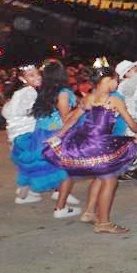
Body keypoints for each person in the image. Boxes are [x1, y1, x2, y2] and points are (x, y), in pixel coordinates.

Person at [43, 66, 137, 234]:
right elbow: (132, 124)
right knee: (110, 180)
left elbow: (71, 120)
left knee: (100, 177)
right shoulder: (114, 100)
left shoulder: (88, 98)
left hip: (84, 142)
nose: (117, 83)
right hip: (99, 144)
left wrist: (57, 137)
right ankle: (103, 223)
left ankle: (89, 213)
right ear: (108, 81)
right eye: (116, 80)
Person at [30, 61, 81, 217]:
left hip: (42, 133)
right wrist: (81, 109)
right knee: (67, 171)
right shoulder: (63, 92)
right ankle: (60, 208)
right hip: (57, 135)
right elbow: (65, 118)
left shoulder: (43, 91)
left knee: (59, 169)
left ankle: (59, 193)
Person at [2, 63, 43, 204]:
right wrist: (39, 110)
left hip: (17, 134)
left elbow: (7, 112)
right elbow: (21, 112)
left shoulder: (20, 92)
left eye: (38, 74)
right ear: (22, 78)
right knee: (31, 164)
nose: (37, 77)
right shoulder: (29, 92)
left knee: (26, 163)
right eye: (31, 75)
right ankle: (23, 196)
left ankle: (25, 191)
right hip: (26, 133)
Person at [115, 60, 137, 182]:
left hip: (134, 120)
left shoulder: (133, 85)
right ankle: (126, 169)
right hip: (128, 121)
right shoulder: (125, 85)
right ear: (127, 73)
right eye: (134, 68)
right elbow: (134, 80)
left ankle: (127, 169)